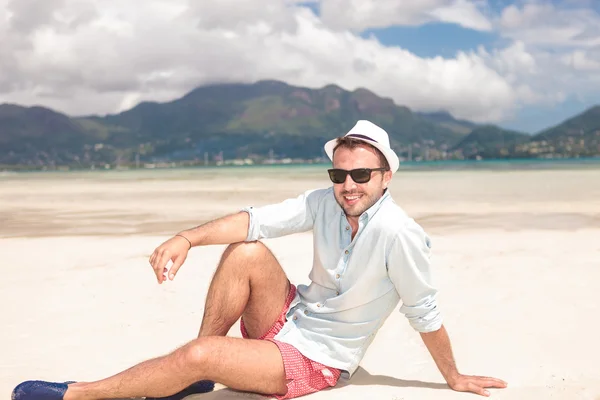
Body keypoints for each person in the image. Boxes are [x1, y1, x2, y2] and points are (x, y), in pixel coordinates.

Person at [12, 120, 507, 400]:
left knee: (199, 354)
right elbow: (254, 222)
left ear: (385, 177)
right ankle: (196, 373)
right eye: (340, 174)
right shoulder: (326, 201)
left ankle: (79, 395)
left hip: (317, 359)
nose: (348, 186)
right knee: (246, 251)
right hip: (291, 318)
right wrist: (186, 237)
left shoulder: (400, 235)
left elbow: (424, 312)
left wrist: (454, 377)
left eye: (361, 175)